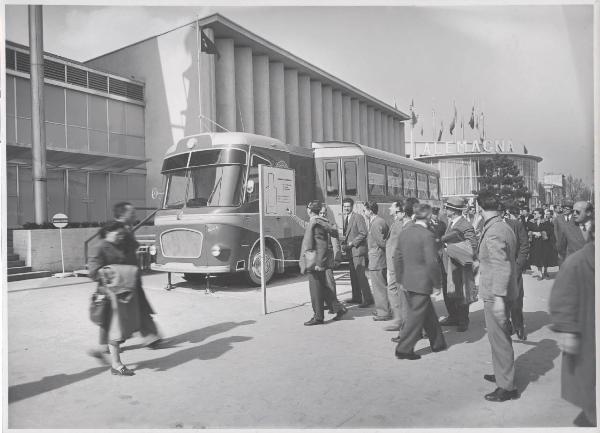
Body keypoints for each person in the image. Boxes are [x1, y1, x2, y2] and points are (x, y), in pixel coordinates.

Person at [549, 222, 596, 427]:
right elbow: (561, 298)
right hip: (588, 336)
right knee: (591, 387)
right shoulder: (577, 263)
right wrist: (567, 329)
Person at [476, 191, 519, 402]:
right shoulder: (504, 226)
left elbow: (501, 265)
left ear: (480, 208)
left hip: (496, 294)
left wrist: (499, 298)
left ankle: (507, 387)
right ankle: (502, 373)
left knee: (499, 338)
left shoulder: (493, 231)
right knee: (499, 337)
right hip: (505, 290)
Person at [88, 222, 143, 375]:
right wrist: (115, 272)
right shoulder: (98, 247)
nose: (120, 237)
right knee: (115, 329)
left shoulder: (121, 245)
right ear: (107, 232)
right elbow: (92, 272)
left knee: (117, 328)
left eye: (122, 234)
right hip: (108, 294)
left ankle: (102, 352)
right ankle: (116, 365)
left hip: (124, 292)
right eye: (117, 234)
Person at [393, 203, 446, 360]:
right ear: (429, 217)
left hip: (407, 281)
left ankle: (438, 343)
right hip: (422, 283)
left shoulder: (405, 233)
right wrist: (437, 284)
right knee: (416, 317)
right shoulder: (427, 235)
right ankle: (403, 349)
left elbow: (397, 258)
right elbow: (432, 262)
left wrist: (400, 279)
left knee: (428, 313)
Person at [111, 202, 162, 347]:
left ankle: (151, 336)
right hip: (123, 278)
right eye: (131, 213)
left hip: (131, 277)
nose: (135, 215)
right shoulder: (116, 231)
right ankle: (109, 342)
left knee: (139, 306)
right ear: (122, 215)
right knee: (120, 311)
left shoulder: (125, 228)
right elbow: (113, 254)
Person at [287, 204, 346, 316]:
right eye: (321, 213)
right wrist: (292, 215)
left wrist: (336, 259)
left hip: (324, 261)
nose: (323, 215)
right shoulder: (314, 223)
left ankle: (327, 310)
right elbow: (302, 223)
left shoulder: (321, 224)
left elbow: (332, 245)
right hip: (319, 260)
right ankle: (332, 307)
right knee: (323, 287)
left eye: (324, 213)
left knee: (327, 285)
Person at [301, 201, 347, 325]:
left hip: (315, 263)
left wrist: (319, 264)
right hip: (317, 261)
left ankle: (318, 317)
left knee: (315, 290)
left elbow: (321, 245)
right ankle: (338, 308)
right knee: (324, 288)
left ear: (310, 210)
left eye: (308, 208)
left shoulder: (316, 223)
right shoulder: (318, 221)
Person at [439, 197, 477, 332]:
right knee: (448, 292)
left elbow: (472, 246)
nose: (445, 210)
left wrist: (450, 248)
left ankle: (463, 320)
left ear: (453, 211)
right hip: (447, 264)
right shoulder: (451, 222)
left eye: (447, 208)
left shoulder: (465, 225)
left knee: (460, 293)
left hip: (458, 266)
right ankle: (453, 316)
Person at [341, 198, 373, 307]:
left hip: (357, 250)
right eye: (344, 206)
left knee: (360, 276)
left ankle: (368, 299)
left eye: (348, 206)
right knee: (353, 276)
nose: (346, 208)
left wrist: (351, 243)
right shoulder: (346, 217)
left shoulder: (358, 217)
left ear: (352, 206)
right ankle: (357, 297)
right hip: (351, 252)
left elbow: (363, 233)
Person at [504, 204, 530, 340]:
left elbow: (524, 245)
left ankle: (519, 325)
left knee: (516, 299)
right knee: (500, 299)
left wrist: (518, 264)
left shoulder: (516, 225)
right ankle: (506, 324)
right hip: (498, 269)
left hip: (514, 268)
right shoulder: (488, 225)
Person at [363, 201, 391, 321]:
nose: (364, 213)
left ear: (370, 210)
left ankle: (383, 313)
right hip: (380, 258)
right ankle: (383, 308)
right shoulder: (381, 221)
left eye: (364, 210)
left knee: (379, 287)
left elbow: (381, 242)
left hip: (377, 260)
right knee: (381, 285)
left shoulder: (375, 223)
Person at [527, 208, 555, 279]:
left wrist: (541, 233)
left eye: (535, 213)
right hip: (535, 242)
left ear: (540, 214)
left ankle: (545, 271)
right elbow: (528, 230)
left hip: (544, 242)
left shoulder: (546, 222)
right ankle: (540, 274)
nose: (534, 215)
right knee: (537, 257)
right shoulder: (531, 221)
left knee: (545, 257)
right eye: (533, 213)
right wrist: (533, 233)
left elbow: (550, 231)